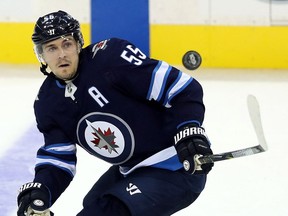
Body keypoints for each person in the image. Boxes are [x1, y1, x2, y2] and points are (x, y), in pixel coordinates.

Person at [17, 10, 214, 216]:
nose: (61, 54)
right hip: (131, 170)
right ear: (42, 55)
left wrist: (189, 129)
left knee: (103, 211)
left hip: (177, 168)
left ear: (78, 44)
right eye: (52, 48)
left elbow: (181, 89)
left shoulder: (111, 58)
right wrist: (41, 189)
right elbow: (59, 159)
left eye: (66, 44)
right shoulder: (48, 102)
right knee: (92, 202)